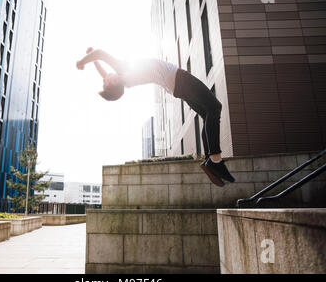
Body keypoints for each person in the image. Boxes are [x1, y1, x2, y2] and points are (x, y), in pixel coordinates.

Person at [76, 48, 235, 187]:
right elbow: (101, 54)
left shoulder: (124, 81)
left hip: (176, 88)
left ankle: (210, 160)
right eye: (105, 82)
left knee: (207, 114)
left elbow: (104, 71)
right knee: (214, 107)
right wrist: (83, 61)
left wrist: (92, 60)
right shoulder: (121, 69)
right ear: (114, 82)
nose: (104, 78)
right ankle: (215, 161)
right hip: (180, 80)